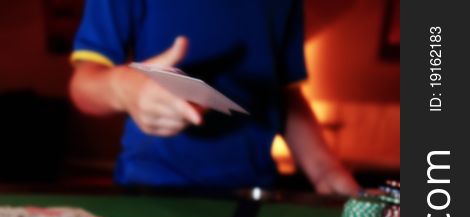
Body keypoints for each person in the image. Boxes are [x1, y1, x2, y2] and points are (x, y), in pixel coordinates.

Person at [69, 0, 359, 194]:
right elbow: (83, 85)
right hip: (152, 189)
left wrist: (326, 171)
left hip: (254, 193)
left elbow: (283, 94)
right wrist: (125, 88)